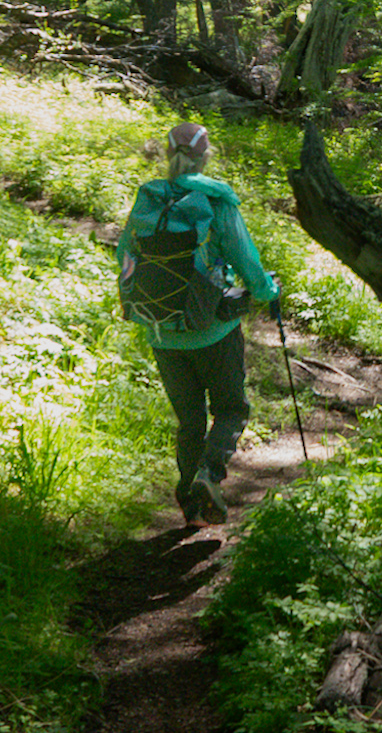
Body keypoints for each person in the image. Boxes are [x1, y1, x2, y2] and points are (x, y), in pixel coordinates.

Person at [115, 121, 279, 527]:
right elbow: (246, 260)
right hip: (213, 332)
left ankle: (191, 510)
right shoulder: (217, 203)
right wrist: (268, 292)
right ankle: (210, 474)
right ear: (206, 157)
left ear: (166, 157)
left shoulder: (149, 201)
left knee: (189, 422)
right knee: (230, 410)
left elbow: (124, 256)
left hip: (161, 331)